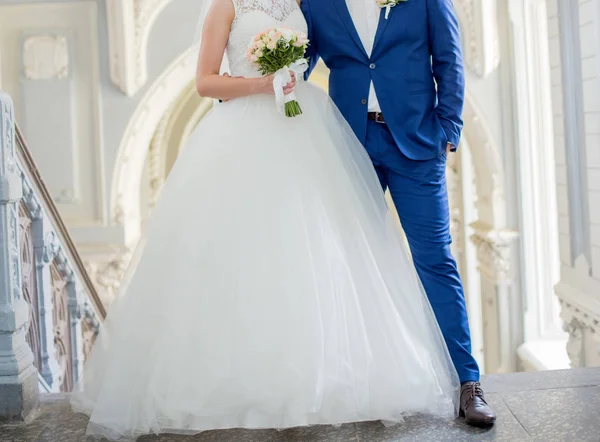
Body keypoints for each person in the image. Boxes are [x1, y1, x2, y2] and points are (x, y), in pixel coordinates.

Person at [71, 0, 464, 440]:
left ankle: (458, 380)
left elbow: (439, 58)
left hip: (334, 131)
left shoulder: (302, 2)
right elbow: (207, 81)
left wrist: (449, 129)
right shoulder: (240, 5)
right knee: (263, 253)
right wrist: (265, 84)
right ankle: (262, 377)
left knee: (368, 255)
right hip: (264, 135)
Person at [300, 0, 495, 427]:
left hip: (418, 145)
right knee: (355, 262)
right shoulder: (317, 3)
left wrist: (448, 130)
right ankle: (366, 382)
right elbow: (298, 63)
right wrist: (252, 87)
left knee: (435, 261)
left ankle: (467, 383)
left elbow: (449, 61)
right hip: (350, 144)